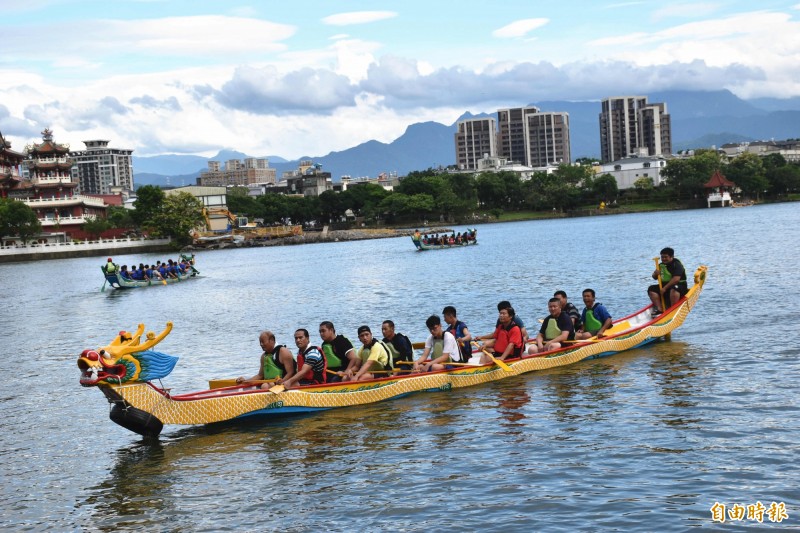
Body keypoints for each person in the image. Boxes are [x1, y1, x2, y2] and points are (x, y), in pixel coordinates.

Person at [648, 247, 688, 316]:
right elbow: (654, 277)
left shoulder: (677, 265)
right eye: (662, 257)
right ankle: (659, 309)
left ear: (672, 256)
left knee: (674, 288)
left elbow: (676, 279)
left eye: (666, 257)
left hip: (679, 285)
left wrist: (664, 288)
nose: (663, 259)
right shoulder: (660, 265)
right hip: (666, 287)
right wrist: (655, 273)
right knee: (651, 289)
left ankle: (673, 310)